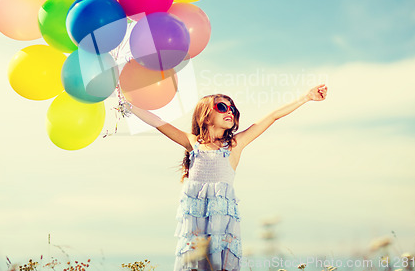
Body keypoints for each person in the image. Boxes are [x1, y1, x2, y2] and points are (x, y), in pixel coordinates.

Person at [130, 84, 328, 271]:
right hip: (195, 224)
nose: (229, 111)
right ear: (205, 116)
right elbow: (157, 122)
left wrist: (306, 97)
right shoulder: (193, 144)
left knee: (220, 265)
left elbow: (273, 116)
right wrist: (127, 103)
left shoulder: (234, 145)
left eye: (232, 108)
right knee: (194, 265)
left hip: (222, 225)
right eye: (222, 107)